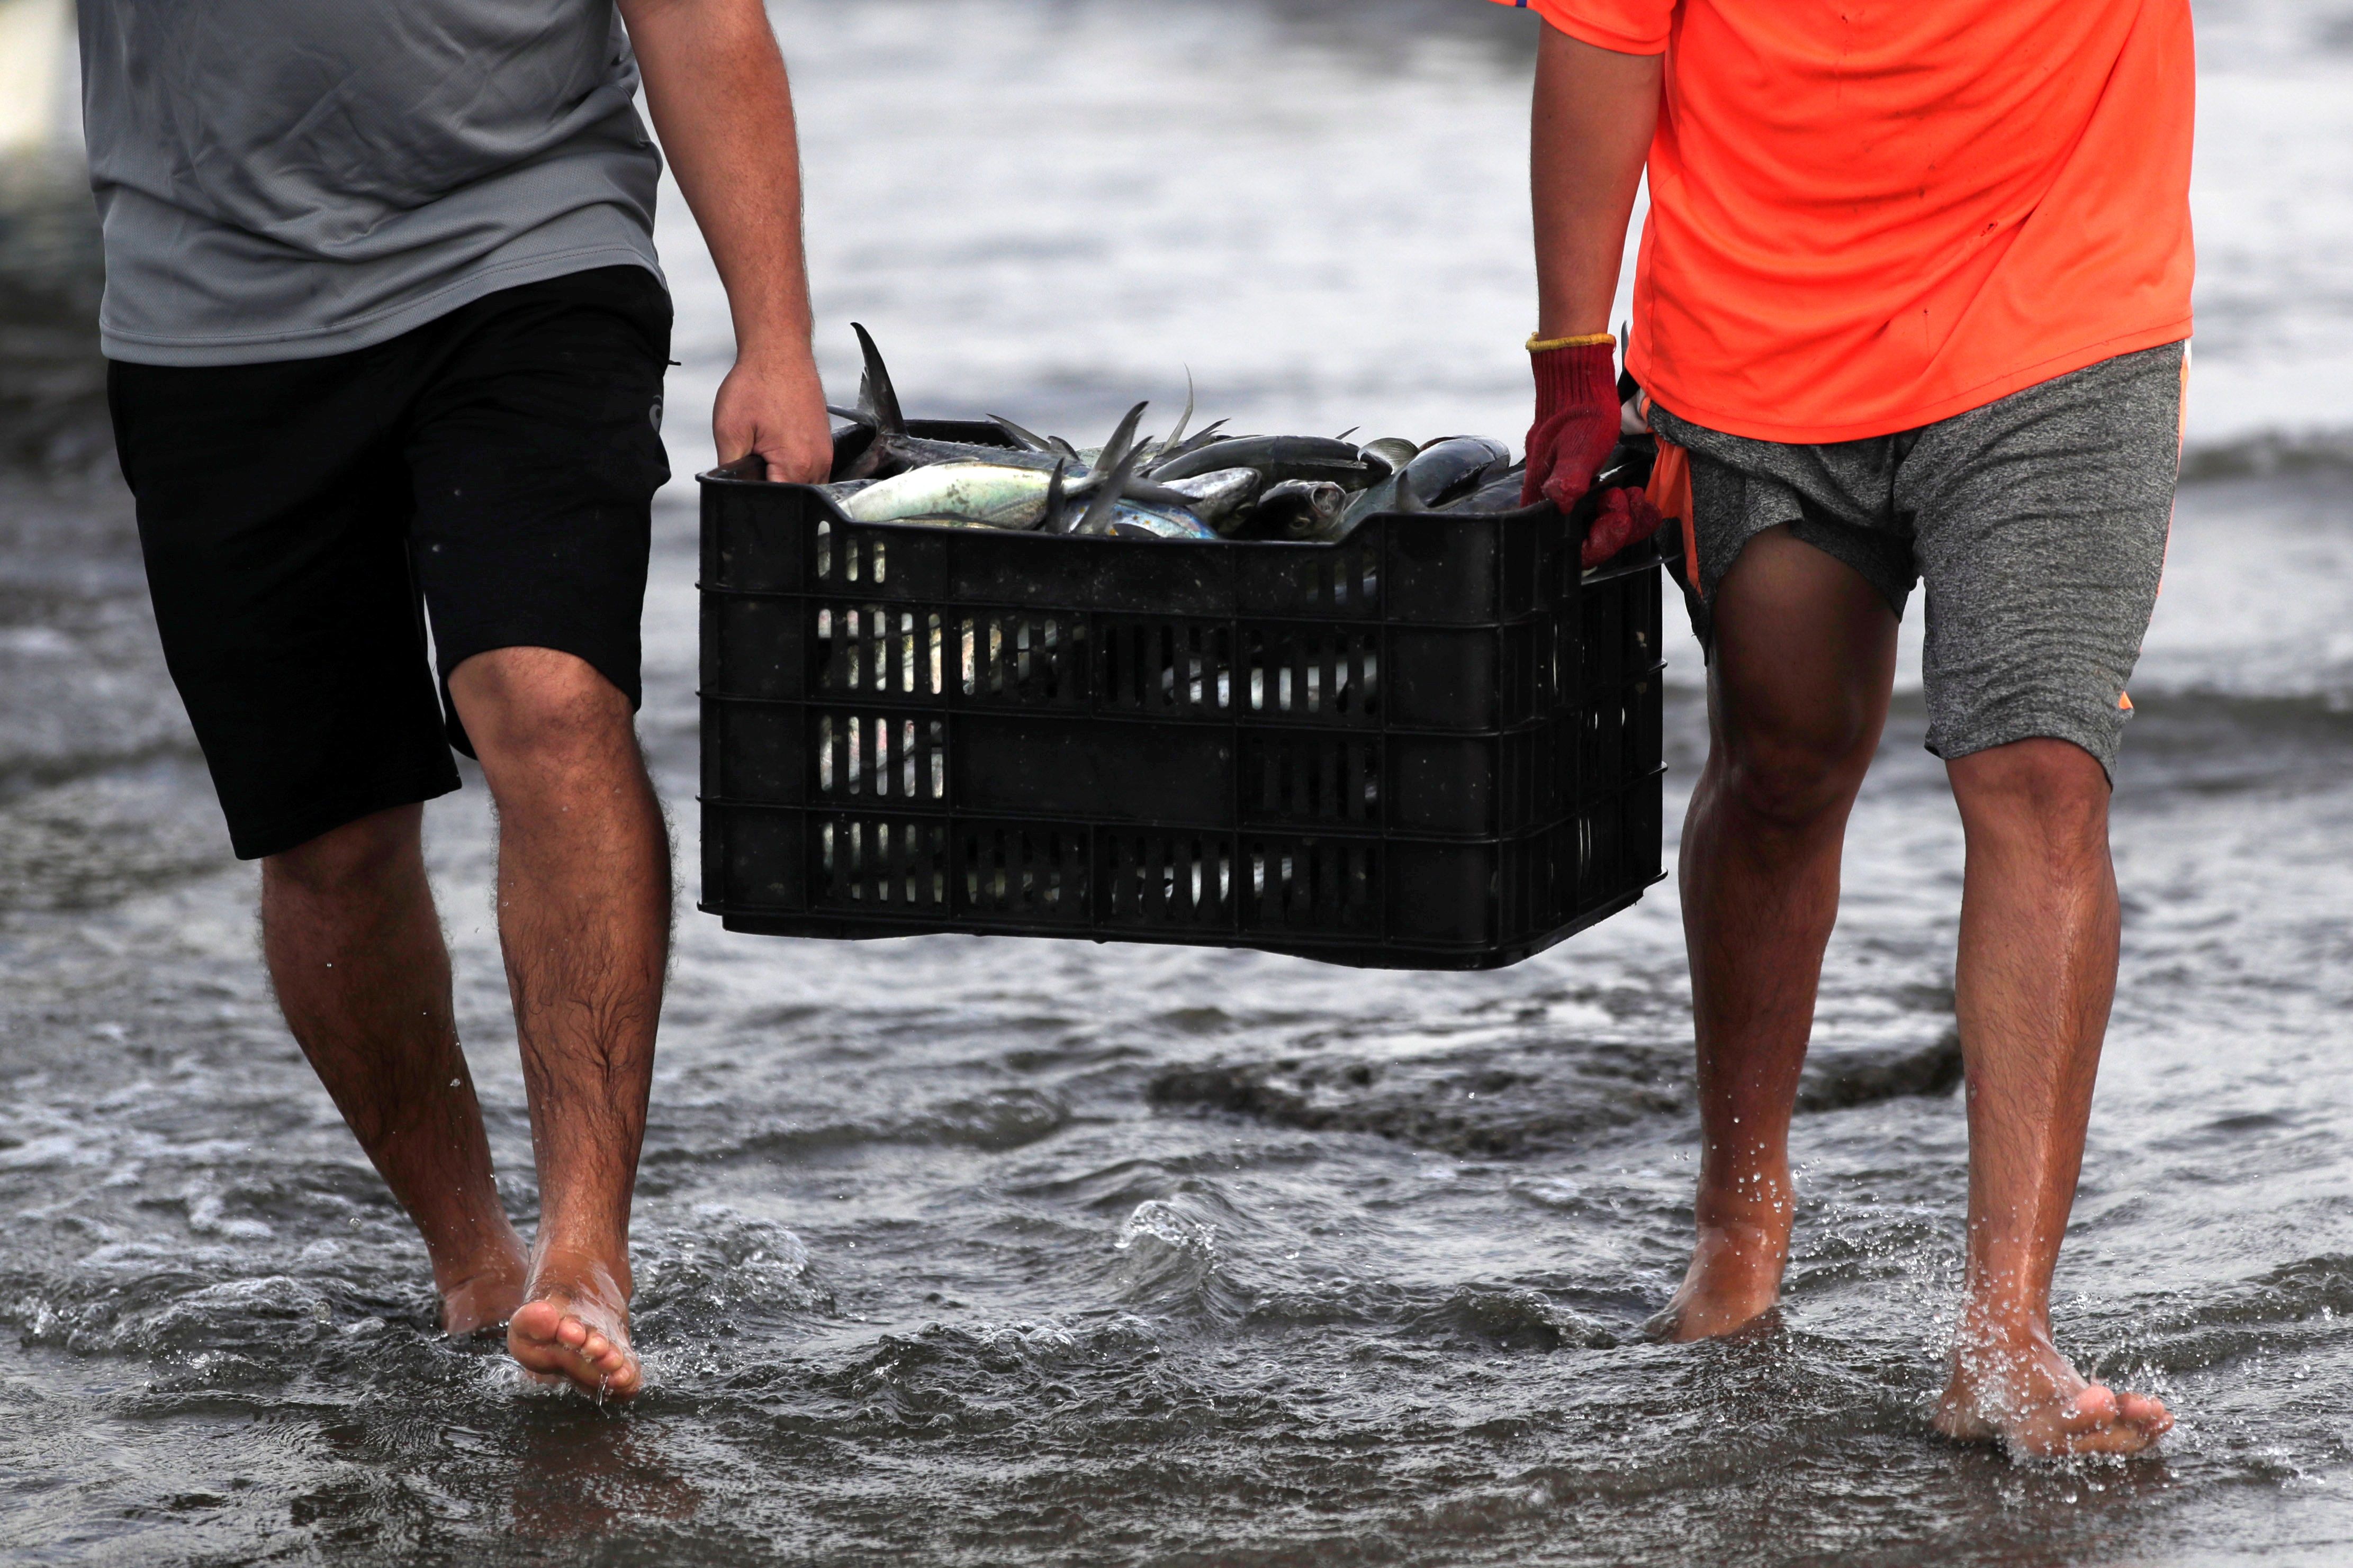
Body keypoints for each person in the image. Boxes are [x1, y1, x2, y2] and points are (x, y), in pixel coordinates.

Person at [79, 0, 834, 1397]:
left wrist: (773, 334)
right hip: (211, 309)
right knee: (332, 836)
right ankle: (474, 1265)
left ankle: (585, 1253)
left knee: (547, 700)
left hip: (527, 238)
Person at [1511, 0, 2191, 1455]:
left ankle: (2004, 1335)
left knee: (2042, 771)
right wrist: (1576, 364)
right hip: (1764, 328)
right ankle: (1738, 1223)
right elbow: (1605, 35)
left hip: (2064, 295)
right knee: (1783, 764)